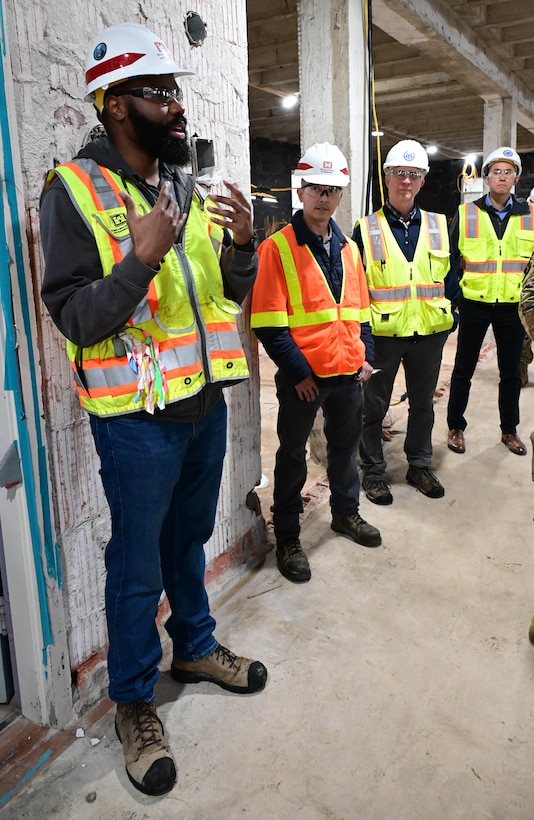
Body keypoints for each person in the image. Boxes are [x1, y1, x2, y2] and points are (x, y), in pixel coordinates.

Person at [39, 22, 267, 797]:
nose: (176, 106)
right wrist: (138, 259)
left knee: (191, 540)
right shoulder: (72, 191)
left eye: (176, 91)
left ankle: (194, 646)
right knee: (136, 566)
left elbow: (222, 297)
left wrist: (242, 248)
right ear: (114, 107)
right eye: (157, 92)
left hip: (202, 404)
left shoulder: (184, 186)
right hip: (136, 422)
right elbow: (73, 316)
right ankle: (134, 701)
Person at [250, 142, 381, 585]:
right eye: (316, 188)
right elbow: (269, 323)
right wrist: (298, 373)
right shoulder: (277, 248)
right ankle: (287, 537)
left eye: (333, 190)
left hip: (348, 373)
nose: (324, 197)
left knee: (345, 452)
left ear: (341, 196)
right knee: (292, 456)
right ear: (300, 191)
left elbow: (360, 310)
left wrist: (366, 358)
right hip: (304, 379)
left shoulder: (349, 249)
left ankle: (346, 514)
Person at [352, 139, 456, 506]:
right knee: (373, 408)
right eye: (399, 173)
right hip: (382, 337)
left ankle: (419, 465)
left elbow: (451, 278)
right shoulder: (365, 229)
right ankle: (374, 473)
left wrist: (450, 317)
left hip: (429, 334)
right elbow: (355, 287)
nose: (406, 181)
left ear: (423, 181)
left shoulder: (439, 225)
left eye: (414, 174)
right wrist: (360, 338)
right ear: (387, 178)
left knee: (423, 405)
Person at [447, 146, 534, 457]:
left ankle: (509, 431)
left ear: (517, 179)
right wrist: (455, 299)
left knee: (511, 372)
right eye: (496, 171)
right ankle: (455, 425)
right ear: (486, 178)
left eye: (508, 171)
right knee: (463, 369)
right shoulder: (466, 212)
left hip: (513, 307)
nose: (502, 176)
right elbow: (449, 259)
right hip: (474, 303)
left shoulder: (529, 215)